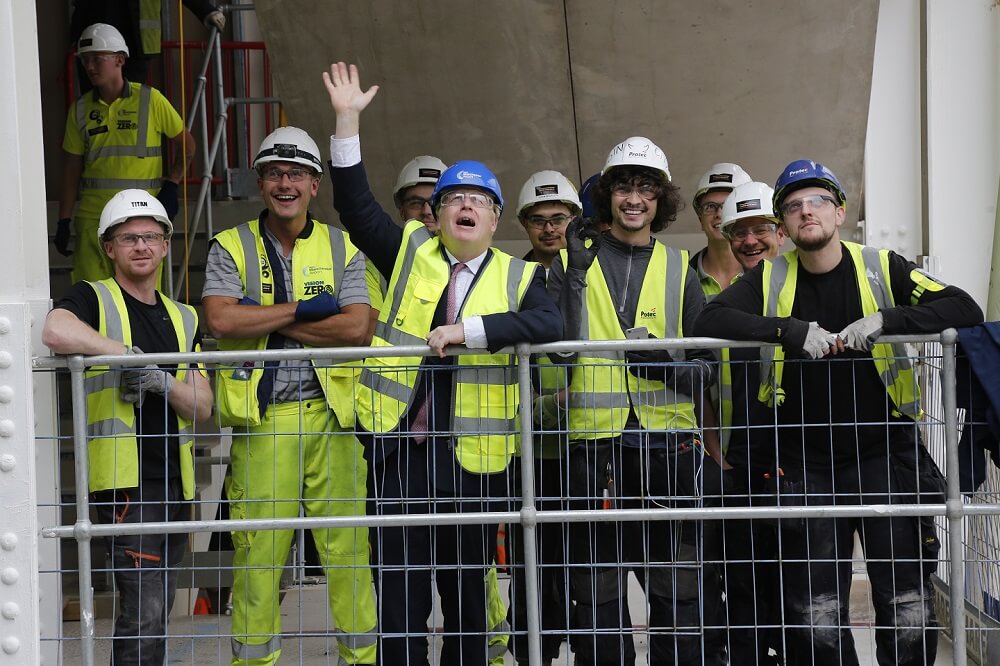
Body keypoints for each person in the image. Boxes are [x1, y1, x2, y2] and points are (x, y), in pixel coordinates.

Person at [695, 159, 984, 666]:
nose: (806, 212)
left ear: (839, 211)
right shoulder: (770, 277)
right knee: (816, 609)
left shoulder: (881, 267)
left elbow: (964, 307)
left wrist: (887, 318)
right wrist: (788, 329)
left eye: (817, 201)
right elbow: (711, 315)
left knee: (907, 600)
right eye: (793, 206)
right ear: (783, 225)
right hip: (807, 466)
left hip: (885, 458)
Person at [322, 61, 563, 666]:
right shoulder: (407, 249)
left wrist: (470, 331)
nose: (464, 207)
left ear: (495, 218)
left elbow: (550, 324)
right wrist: (346, 122)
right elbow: (355, 206)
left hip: (475, 465)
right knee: (399, 599)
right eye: (452, 198)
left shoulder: (520, 275)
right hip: (400, 452)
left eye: (478, 200)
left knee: (465, 601)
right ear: (434, 214)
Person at [201, 126, 377, 666]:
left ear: (315, 184)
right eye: (275, 172)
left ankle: (361, 660)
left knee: (348, 555)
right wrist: (303, 312)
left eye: (296, 173)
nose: (286, 183)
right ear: (260, 181)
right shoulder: (230, 246)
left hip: (333, 418)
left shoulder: (343, 244)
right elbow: (221, 319)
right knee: (259, 558)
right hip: (263, 421)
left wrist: (268, 321)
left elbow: (357, 330)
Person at [546, 136, 724, 665]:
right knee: (597, 591)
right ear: (607, 196)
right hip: (592, 449)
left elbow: (707, 368)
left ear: (660, 199)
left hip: (667, 447)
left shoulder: (679, 270)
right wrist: (574, 273)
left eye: (646, 188)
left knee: (676, 589)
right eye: (623, 186)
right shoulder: (573, 264)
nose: (634, 198)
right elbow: (559, 355)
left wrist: (666, 371)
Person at [42, 189, 213, 665]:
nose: (140, 245)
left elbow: (201, 405)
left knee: (159, 609)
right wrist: (123, 354)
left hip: (175, 486)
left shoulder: (185, 316)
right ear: (109, 248)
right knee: (144, 610)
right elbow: (55, 329)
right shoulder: (92, 298)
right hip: (126, 486)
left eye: (150, 236)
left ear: (164, 246)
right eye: (128, 237)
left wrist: (161, 381)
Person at [505, 170, 582, 664]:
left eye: (559, 219)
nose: (550, 229)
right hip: (528, 448)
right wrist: (545, 407)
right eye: (539, 220)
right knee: (532, 563)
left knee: (584, 564)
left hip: (586, 445)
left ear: (576, 221)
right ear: (523, 224)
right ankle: (536, 651)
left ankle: (584, 644)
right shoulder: (510, 278)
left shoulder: (592, 273)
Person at [57, 22, 195, 286]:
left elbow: (187, 145)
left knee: (141, 299)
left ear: (120, 60)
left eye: (98, 58)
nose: (90, 67)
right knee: (94, 299)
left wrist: (172, 184)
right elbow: (71, 167)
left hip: (140, 218)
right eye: (86, 60)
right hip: (92, 219)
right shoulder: (80, 109)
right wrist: (64, 219)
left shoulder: (151, 100)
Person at [713, 181, 786, 665]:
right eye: (740, 232)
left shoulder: (800, 288)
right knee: (741, 582)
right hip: (739, 462)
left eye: (761, 228)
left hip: (798, 463)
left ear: (781, 232)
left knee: (796, 585)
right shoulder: (735, 296)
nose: (751, 240)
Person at [69, 0, 226, 88]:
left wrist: (205, 11)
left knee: (131, 104)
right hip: (95, 44)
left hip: (135, 45)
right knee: (94, 107)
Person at [689, 163, 752, 300]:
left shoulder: (766, 274)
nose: (719, 214)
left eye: (728, 206)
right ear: (700, 219)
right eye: (710, 206)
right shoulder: (682, 277)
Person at [393, 155, 448, 233]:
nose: (426, 211)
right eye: (416, 203)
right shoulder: (393, 243)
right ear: (402, 212)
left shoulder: (469, 244)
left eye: (436, 203)